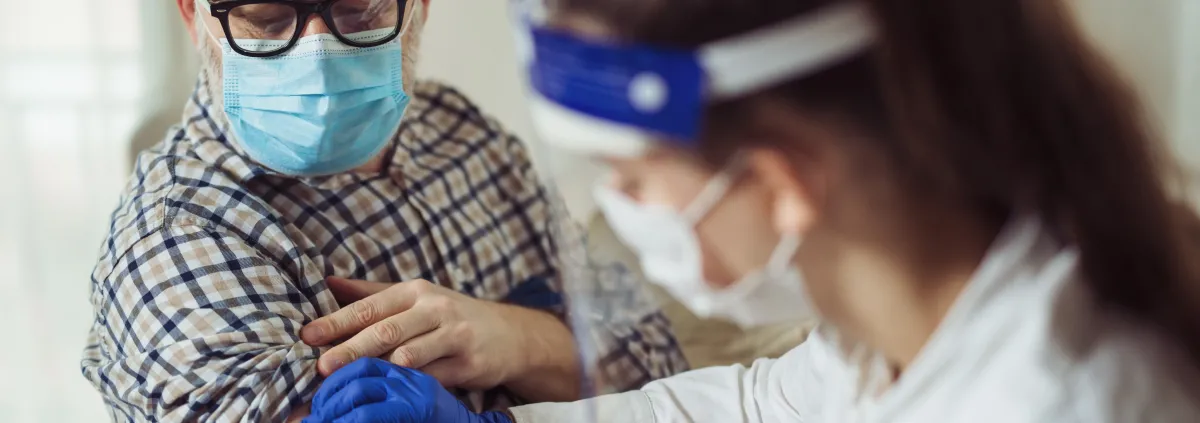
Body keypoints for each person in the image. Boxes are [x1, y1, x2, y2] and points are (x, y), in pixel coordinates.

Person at [300, 0, 1200, 421]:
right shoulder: (903, 316)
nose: (622, 209)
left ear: (782, 183)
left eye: (636, 178)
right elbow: (760, 404)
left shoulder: (1066, 397)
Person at [80, 0, 689, 421]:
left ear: (418, 6)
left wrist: (512, 338)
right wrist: (562, 347)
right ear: (195, 17)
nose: (316, 53)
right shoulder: (183, 239)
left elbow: (658, 363)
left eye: (358, 11)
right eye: (266, 18)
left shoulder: (459, 130)